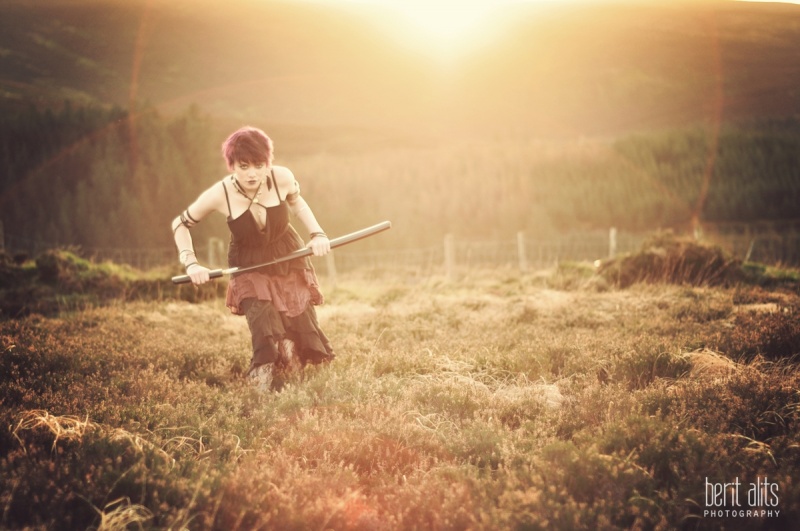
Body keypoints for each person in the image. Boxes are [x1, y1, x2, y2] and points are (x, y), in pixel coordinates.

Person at [171, 126, 334, 390]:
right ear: (232, 165)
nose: (252, 173)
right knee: (263, 323)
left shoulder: (282, 178)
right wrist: (191, 263)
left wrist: (317, 234)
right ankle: (262, 383)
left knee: (299, 320)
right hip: (248, 262)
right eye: (243, 166)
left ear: (268, 164)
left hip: (287, 253)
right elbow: (181, 224)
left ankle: (296, 376)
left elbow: (297, 203)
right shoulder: (220, 194)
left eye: (259, 165)